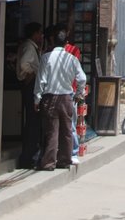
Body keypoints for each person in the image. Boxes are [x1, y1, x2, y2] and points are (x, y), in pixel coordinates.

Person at [34, 25, 86, 170]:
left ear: (52, 41)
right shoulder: (72, 59)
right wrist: (78, 94)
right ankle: (65, 160)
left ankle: (49, 162)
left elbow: (41, 80)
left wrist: (37, 98)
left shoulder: (46, 58)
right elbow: (82, 78)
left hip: (50, 98)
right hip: (67, 98)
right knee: (67, 131)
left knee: (52, 131)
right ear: (66, 43)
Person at [16, 21, 43, 168]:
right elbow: (24, 65)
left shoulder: (32, 47)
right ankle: (28, 156)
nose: (41, 36)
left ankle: (30, 154)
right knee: (33, 121)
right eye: (39, 33)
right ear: (34, 34)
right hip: (30, 86)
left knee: (33, 121)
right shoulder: (29, 47)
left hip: (30, 86)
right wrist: (31, 74)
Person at [65, 33, 83, 165]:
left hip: (53, 94)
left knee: (54, 126)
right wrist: (79, 93)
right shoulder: (74, 52)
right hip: (70, 91)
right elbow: (81, 78)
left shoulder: (47, 55)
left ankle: (70, 152)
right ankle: (73, 153)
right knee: (71, 123)